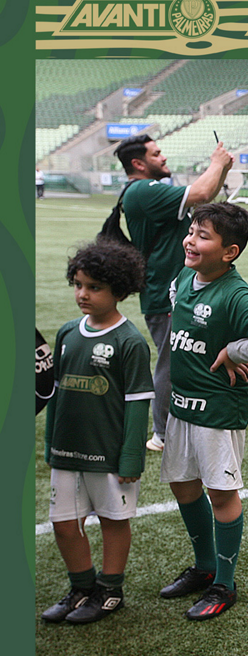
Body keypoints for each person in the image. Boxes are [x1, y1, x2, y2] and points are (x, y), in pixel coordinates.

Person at [158, 202, 248, 620]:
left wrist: (236, 349)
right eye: (191, 231)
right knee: (183, 486)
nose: (190, 240)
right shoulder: (184, 278)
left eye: (203, 236)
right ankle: (204, 567)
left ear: (229, 251)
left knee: (220, 493)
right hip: (181, 404)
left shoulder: (236, 293)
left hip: (217, 410)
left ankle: (224, 583)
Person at [41, 239, 152, 625]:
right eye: (78, 285)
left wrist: (131, 456)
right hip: (67, 451)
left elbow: (138, 403)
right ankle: (82, 587)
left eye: (94, 287)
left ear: (119, 290)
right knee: (63, 524)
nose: (82, 294)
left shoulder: (129, 341)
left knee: (112, 521)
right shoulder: (67, 332)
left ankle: (110, 590)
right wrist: (50, 442)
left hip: (108, 454)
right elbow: (55, 392)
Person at [117, 133, 233, 453]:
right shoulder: (143, 189)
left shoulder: (147, 190)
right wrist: (217, 163)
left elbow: (203, 200)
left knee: (185, 358)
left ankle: (184, 422)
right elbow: (201, 192)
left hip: (174, 290)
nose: (164, 157)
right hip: (165, 294)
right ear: (139, 163)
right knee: (172, 363)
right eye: (156, 154)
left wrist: (222, 168)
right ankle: (164, 433)